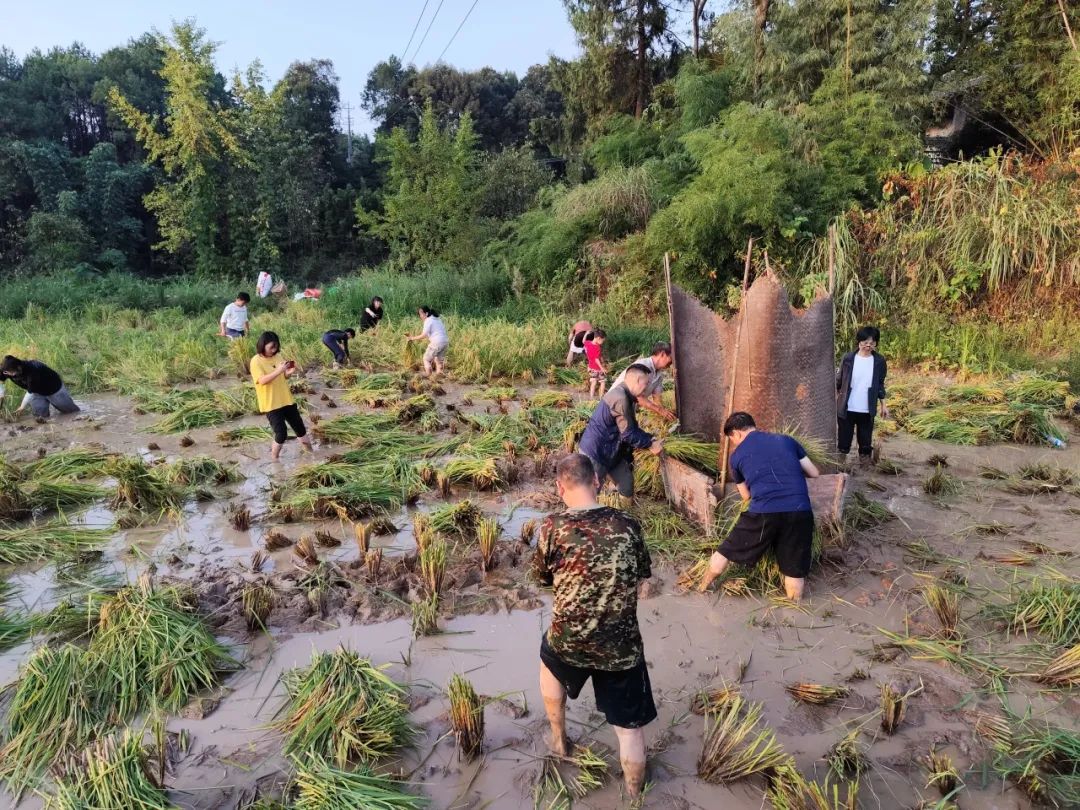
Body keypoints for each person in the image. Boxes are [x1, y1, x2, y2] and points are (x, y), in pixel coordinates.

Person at [532, 453, 655, 799]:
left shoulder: (551, 527)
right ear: (597, 481)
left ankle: (559, 741)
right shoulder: (628, 524)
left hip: (569, 639)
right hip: (620, 646)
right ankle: (635, 794)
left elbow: (542, 578)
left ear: (560, 488)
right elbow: (642, 574)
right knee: (629, 731)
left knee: (548, 662)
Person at [699, 412, 820, 600]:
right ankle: (794, 606)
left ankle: (702, 587)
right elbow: (814, 472)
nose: (734, 443)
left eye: (732, 439)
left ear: (736, 433)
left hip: (763, 513)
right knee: (794, 569)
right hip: (799, 510)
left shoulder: (736, 457)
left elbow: (746, 496)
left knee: (726, 551)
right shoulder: (787, 440)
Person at [578, 364, 663, 505]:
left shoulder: (628, 397)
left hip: (613, 451)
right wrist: (650, 444)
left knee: (627, 485)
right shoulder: (620, 398)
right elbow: (628, 434)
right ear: (637, 381)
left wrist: (650, 438)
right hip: (596, 453)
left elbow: (630, 428)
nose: (647, 387)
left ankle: (625, 512)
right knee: (589, 494)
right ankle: (583, 516)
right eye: (646, 383)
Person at [249, 331, 313, 461]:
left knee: (300, 429)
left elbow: (283, 376)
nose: (274, 350)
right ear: (262, 345)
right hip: (271, 403)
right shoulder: (256, 361)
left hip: (286, 399)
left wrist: (288, 372)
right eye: (271, 347)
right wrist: (279, 370)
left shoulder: (278, 356)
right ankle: (275, 460)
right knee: (281, 433)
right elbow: (262, 380)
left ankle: (311, 454)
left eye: (276, 347)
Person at [836, 325, 889, 467]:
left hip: (867, 409)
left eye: (872, 343)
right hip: (847, 407)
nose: (868, 346)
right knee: (843, 440)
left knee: (865, 441)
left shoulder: (879, 361)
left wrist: (884, 405)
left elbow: (880, 384)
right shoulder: (848, 358)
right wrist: (835, 400)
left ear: (876, 343)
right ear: (859, 342)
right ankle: (840, 465)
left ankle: (864, 466)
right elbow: (839, 381)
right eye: (865, 342)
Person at [613, 341, 676, 421]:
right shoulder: (642, 366)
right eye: (671, 358)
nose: (672, 363)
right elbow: (637, 396)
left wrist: (666, 413)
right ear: (662, 354)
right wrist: (660, 410)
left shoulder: (659, 375)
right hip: (615, 405)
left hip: (627, 409)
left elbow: (657, 399)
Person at [0, 355, 79, 418]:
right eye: (7, 372)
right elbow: (1, 380)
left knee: (71, 413)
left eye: (12, 372)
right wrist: (1, 393)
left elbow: (30, 391)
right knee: (39, 417)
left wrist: (22, 407)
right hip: (36, 393)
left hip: (54, 389)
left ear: (18, 367)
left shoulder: (32, 370)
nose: (11, 374)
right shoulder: (6, 369)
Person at [406, 306, 449, 376]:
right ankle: (439, 375)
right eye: (419, 314)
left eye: (421, 314)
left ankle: (428, 375)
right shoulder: (437, 319)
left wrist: (412, 338)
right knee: (438, 360)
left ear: (426, 313)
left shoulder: (428, 320)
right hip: (445, 342)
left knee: (426, 359)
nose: (420, 316)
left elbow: (424, 335)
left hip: (437, 342)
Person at [584, 329, 608, 398]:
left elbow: (583, 341)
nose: (602, 342)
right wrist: (602, 368)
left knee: (593, 383)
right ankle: (601, 398)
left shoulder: (588, 343)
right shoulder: (597, 347)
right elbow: (596, 359)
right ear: (598, 338)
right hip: (598, 368)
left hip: (591, 368)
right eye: (602, 341)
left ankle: (591, 398)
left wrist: (586, 334)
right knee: (603, 382)